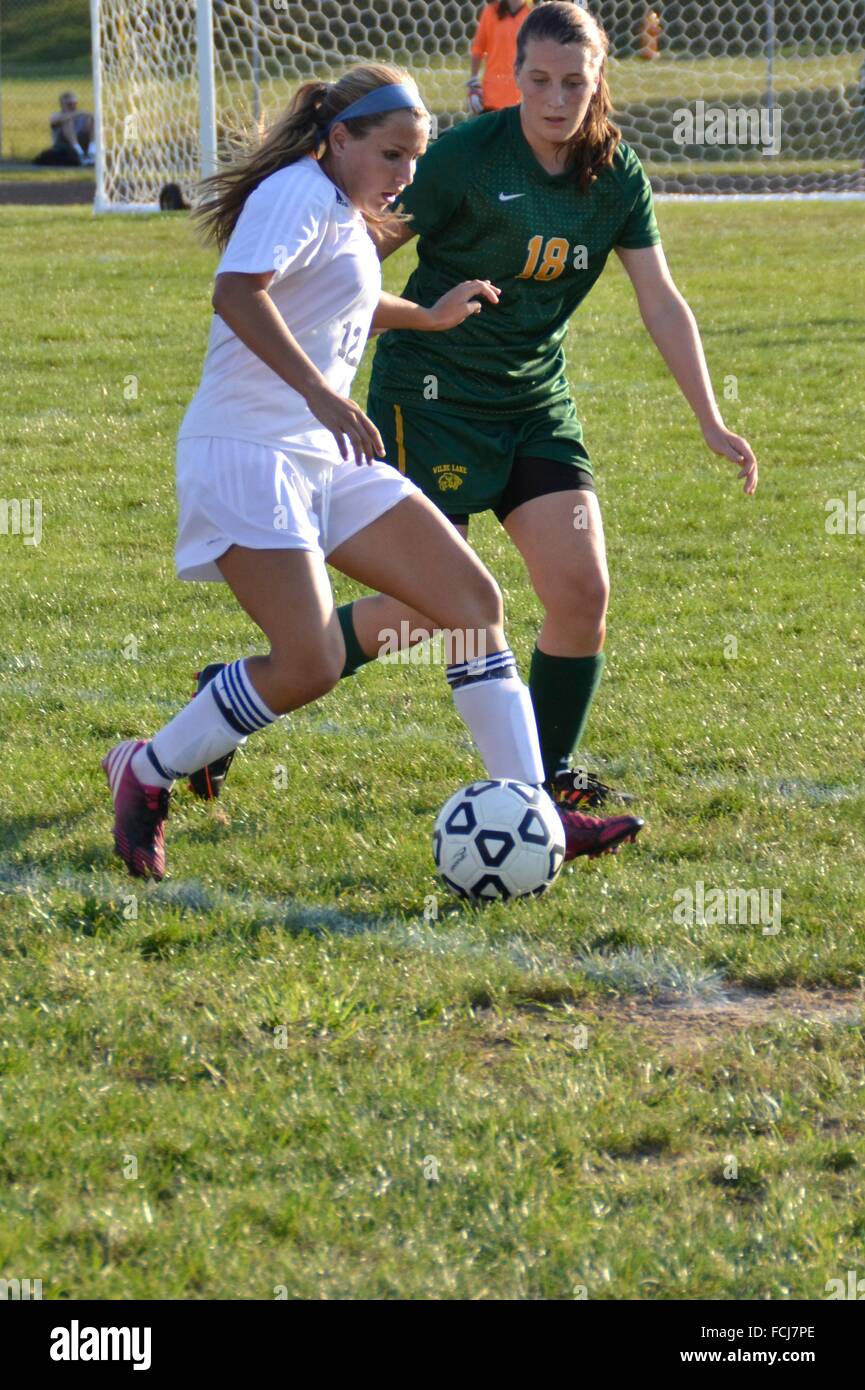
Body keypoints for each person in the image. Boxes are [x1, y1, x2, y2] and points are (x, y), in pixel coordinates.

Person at [194, 2, 757, 820]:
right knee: (433, 608)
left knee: (580, 593)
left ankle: (548, 784)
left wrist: (708, 416)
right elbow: (346, 267)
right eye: (537, 80)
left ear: (598, 79)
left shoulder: (615, 175)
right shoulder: (456, 157)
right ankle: (238, 693)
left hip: (533, 401)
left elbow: (660, 301)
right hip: (431, 397)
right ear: (511, 76)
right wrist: (321, 372)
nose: (556, 98)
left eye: (574, 80)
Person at [102, 62, 643, 881]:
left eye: (416, 159)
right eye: (392, 156)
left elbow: (341, 297)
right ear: (338, 138)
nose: (407, 176)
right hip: (249, 455)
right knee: (309, 663)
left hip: (324, 454)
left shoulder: (346, 207)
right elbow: (238, 294)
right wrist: (321, 395)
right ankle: (146, 771)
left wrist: (423, 315)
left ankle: (534, 810)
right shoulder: (294, 192)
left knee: (469, 601)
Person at [467, 0, 532, 114]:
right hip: (491, 97)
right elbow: (477, 49)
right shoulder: (491, 12)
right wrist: (474, 86)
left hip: (523, 97)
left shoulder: (533, 14)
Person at [34, 92, 95, 166]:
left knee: (91, 119)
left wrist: (88, 116)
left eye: (74, 103)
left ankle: (92, 153)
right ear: (62, 105)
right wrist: (79, 113)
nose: (73, 106)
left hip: (83, 144)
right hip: (64, 148)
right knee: (67, 122)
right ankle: (79, 153)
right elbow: (57, 121)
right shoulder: (57, 115)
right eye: (69, 104)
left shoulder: (82, 115)